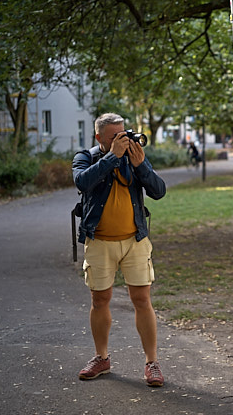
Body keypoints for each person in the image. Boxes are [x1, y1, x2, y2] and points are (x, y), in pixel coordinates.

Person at [72, 113, 167, 386]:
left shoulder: (134, 156)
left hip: (134, 241)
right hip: (100, 241)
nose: (122, 140)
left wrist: (141, 167)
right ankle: (101, 358)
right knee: (99, 300)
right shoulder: (85, 158)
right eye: (115, 136)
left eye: (123, 134)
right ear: (99, 137)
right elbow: (83, 182)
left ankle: (152, 362)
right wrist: (112, 157)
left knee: (142, 300)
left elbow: (159, 191)